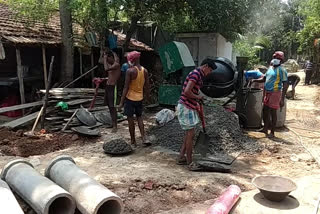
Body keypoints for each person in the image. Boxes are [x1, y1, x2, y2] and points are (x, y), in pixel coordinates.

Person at [176, 58, 217, 169]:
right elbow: (187, 91)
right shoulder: (195, 74)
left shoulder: (198, 74)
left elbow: (192, 90)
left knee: (189, 134)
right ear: (206, 66)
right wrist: (198, 97)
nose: (209, 73)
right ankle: (189, 161)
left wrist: (197, 100)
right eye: (210, 70)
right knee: (190, 135)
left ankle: (181, 157)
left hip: (189, 106)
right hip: (186, 106)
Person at [252, 51, 289, 138]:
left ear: (281, 60)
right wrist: (254, 80)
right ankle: (265, 128)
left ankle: (272, 131)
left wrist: (282, 98)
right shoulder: (270, 68)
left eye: (278, 58)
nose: (276, 59)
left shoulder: (282, 70)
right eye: (275, 57)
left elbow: (285, 84)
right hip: (267, 92)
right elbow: (264, 79)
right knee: (265, 110)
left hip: (275, 92)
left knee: (273, 112)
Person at [118, 51, 150, 146]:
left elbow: (126, 87)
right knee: (139, 118)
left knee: (130, 119)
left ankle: (133, 141)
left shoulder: (130, 71)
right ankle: (144, 138)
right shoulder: (145, 71)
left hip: (130, 98)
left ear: (133, 60)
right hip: (139, 98)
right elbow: (147, 86)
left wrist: (121, 102)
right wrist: (147, 98)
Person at [103, 50, 121, 132]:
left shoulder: (116, 65)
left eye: (108, 58)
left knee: (113, 107)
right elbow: (101, 61)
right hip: (108, 86)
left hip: (113, 87)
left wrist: (105, 58)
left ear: (111, 58)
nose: (106, 60)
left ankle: (115, 126)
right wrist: (103, 55)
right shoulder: (111, 64)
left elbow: (106, 68)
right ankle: (113, 123)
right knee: (109, 107)